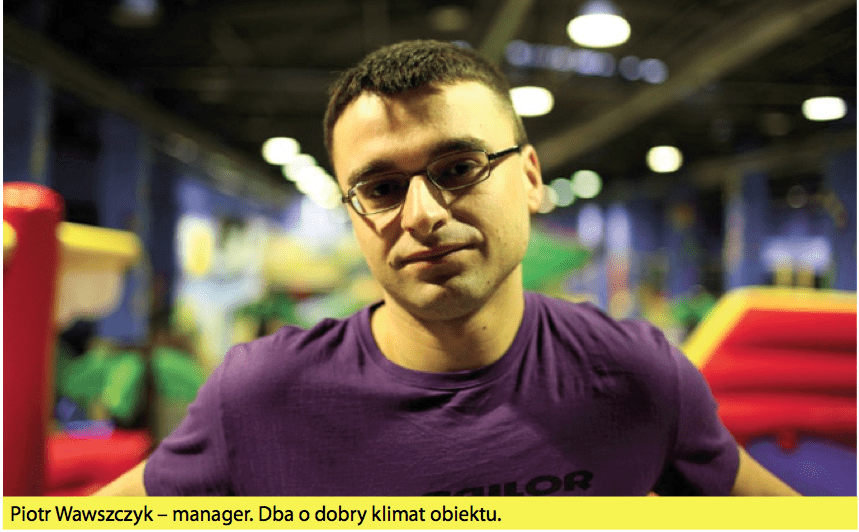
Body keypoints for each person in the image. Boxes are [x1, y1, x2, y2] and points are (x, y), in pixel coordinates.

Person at [97, 40, 798, 496]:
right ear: (352, 214)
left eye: (459, 168)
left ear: (529, 178)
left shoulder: (635, 377)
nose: (423, 214)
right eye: (380, 188)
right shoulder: (261, 397)